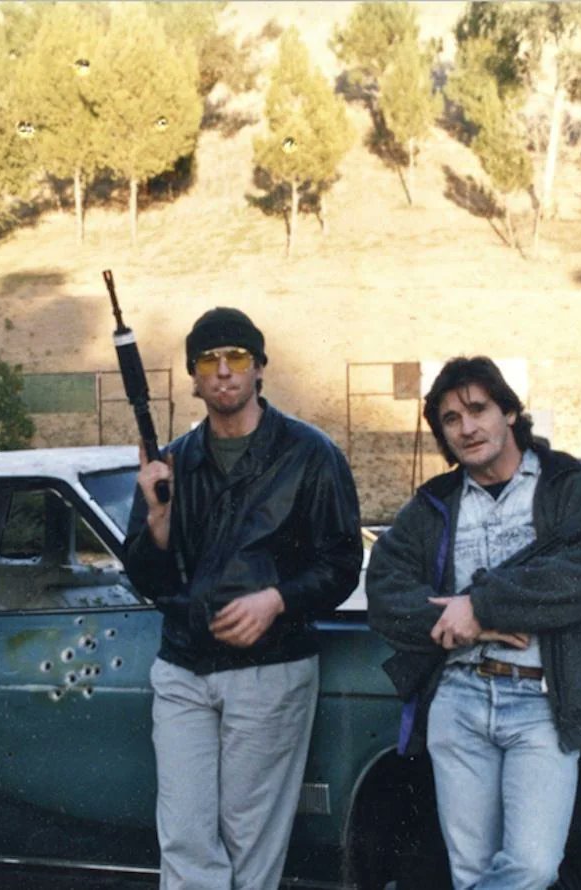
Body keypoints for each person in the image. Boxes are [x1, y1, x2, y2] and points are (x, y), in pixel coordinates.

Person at [366, 356, 581, 890]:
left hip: (543, 704)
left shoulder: (570, 483)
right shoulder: (434, 505)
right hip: (458, 700)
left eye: (478, 409)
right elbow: (385, 591)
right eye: (451, 419)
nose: (466, 427)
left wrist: (482, 605)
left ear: (509, 412)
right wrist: (471, 622)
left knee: (532, 867)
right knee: (470, 873)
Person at [125, 307, 362, 890]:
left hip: (269, 671)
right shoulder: (173, 461)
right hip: (183, 669)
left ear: (259, 367)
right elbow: (150, 581)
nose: (224, 371)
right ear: (194, 375)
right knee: (184, 838)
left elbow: (341, 564)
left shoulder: (310, 453)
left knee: (249, 844)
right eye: (209, 360)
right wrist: (157, 522)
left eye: (237, 357)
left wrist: (276, 600)